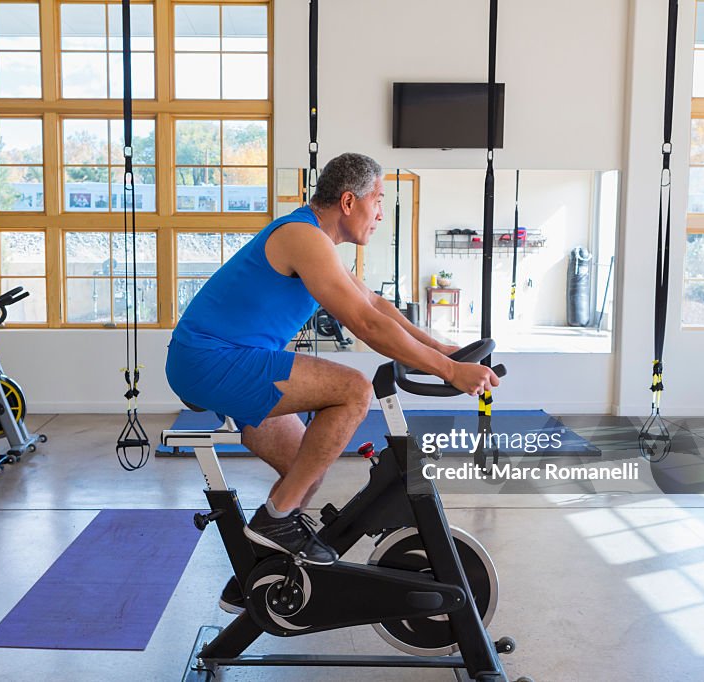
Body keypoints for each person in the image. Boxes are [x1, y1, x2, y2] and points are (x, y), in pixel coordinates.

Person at [165, 153, 500, 610]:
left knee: (306, 472)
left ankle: (256, 578)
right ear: (348, 201)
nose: (381, 212)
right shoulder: (302, 236)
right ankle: (273, 522)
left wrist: (445, 354)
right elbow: (364, 323)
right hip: (211, 360)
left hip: (232, 360)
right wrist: (451, 374)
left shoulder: (317, 241)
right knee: (354, 389)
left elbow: (377, 306)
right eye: (378, 200)